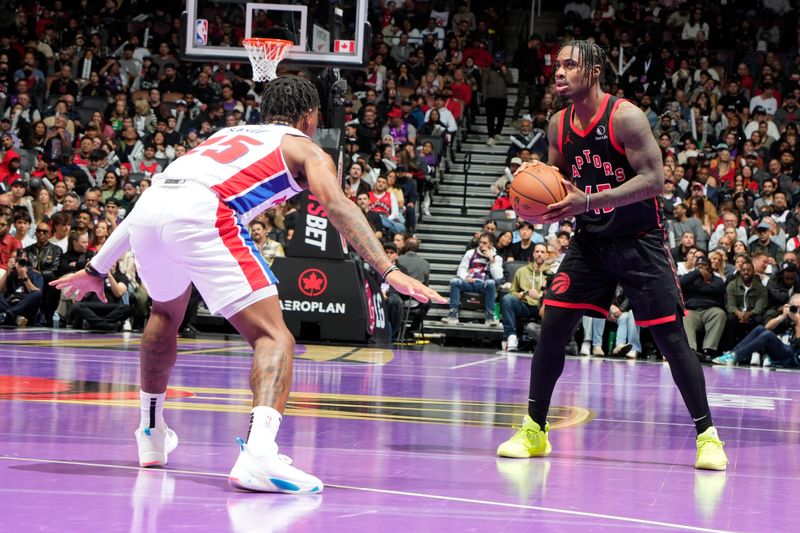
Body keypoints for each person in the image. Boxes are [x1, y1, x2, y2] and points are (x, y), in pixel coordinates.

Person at [51, 76, 444, 495]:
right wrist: (387, 269)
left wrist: (96, 268)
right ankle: (259, 454)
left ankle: (150, 431)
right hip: (205, 212)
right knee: (274, 336)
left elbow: (151, 205)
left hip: (150, 208)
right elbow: (336, 205)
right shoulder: (304, 147)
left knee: (165, 313)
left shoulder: (220, 136)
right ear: (310, 117)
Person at [496, 41, 727, 471]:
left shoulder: (625, 117)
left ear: (596, 70)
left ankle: (708, 437)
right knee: (552, 325)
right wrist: (535, 202)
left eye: (570, 65)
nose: (559, 72)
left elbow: (655, 180)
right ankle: (534, 429)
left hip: (640, 239)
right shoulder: (557, 125)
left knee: (671, 338)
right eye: (557, 65)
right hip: (590, 242)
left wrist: (589, 201)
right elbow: (558, 184)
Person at [713, 292, 800, 368]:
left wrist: (797, 321)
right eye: (794, 307)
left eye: (799, 307)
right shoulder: (788, 316)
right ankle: (733, 353)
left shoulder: (797, 319)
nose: (797, 310)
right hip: (781, 349)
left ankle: (736, 357)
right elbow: (767, 327)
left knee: (768, 335)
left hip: (792, 354)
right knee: (760, 328)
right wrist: (782, 316)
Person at [442, 231, 503, 326]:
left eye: (485, 243)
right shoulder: (470, 253)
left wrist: (492, 261)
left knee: (491, 283)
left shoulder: (497, 258)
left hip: (484, 284)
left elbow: (498, 277)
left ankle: (489, 317)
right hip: (469, 282)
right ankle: (453, 314)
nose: (481, 245)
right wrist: (466, 277)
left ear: (491, 244)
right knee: (454, 281)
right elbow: (461, 269)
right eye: (480, 242)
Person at [501, 243, 550, 351]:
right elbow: (512, 290)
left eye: (542, 252)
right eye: (537, 251)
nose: (539, 254)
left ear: (547, 255)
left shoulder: (551, 273)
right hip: (525, 305)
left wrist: (540, 296)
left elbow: (555, 295)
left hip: (542, 308)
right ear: (533, 254)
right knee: (507, 299)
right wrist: (518, 295)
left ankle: (548, 342)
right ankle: (511, 337)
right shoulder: (521, 271)